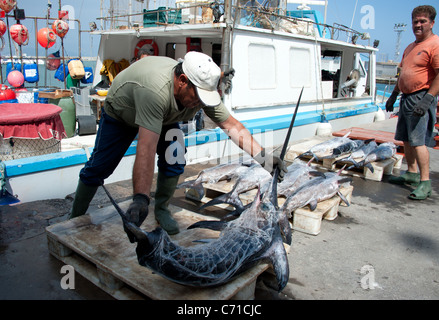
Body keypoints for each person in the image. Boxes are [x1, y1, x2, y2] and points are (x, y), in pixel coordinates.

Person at [69, 51, 286, 236]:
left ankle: (162, 208)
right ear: (182, 81)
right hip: (122, 113)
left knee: (175, 156)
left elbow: (232, 126)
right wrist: (140, 199)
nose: (201, 103)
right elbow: (145, 148)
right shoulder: (154, 91)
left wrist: (265, 159)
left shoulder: (199, 89)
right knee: (99, 167)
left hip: (165, 116)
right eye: (198, 97)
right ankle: (75, 216)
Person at [386, 5, 439, 200]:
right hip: (406, 97)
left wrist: (428, 99)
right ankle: (411, 172)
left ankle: (425, 183)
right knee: (406, 139)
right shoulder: (410, 46)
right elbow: (402, 74)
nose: (418, 25)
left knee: (418, 142)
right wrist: (393, 95)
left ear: (432, 23)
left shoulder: (435, 44)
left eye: (422, 21)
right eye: (415, 21)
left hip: (421, 96)